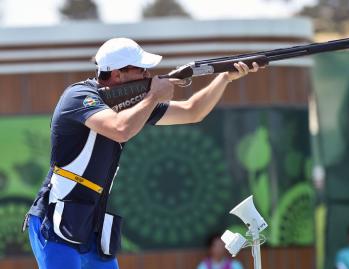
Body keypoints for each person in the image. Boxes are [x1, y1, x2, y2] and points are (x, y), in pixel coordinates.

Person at [23, 37, 260, 269]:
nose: (148, 75)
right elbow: (121, 129)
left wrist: (225, 78)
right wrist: (153, 95)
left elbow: (192, 111)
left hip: (91, 223)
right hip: (56, 220)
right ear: (118, 74)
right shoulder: (78, 96)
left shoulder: (133, 105)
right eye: (142, 70)